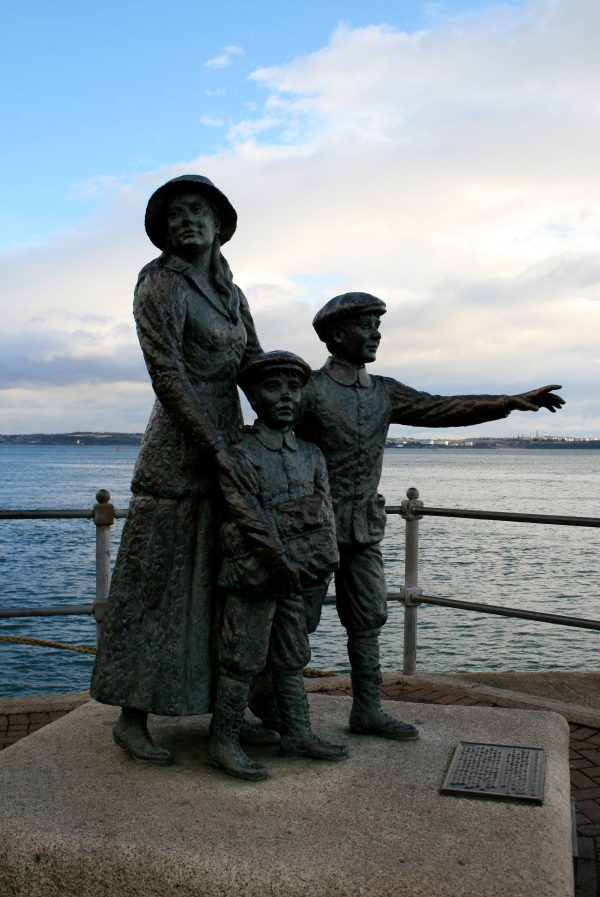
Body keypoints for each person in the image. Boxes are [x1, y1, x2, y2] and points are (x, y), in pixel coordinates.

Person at [297, 291, 565, 742]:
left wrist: (507, 402)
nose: (376, 333)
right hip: (311, 527)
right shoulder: (308, 390)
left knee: (367, 619)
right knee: (296, 621)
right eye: (366, 324)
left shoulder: (383, 391)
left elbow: (441, 408)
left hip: (363, 527)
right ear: (336, 334)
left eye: (377, 324)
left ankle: (367, 710)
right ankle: (278, 710)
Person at [91, 175, 269, 764]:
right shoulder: (158, 283)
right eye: (175, 214)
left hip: (228, 448)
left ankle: (226, 707)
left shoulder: (230, 294)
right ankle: (131, 714)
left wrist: (295, 407)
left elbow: (256, 367)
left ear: (220, 224)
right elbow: (167, 372)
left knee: (221, 581)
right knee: (156, 585)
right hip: (177, 453)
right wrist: (215, 446)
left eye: (198, 211)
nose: (186, 220)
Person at [210, 351, 348, 780]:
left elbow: (324, 512)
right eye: (273, 387)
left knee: (292, 656)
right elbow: (245, 513)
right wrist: (280, 559)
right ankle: (224, 740)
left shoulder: (311, 454)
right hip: (255, 575)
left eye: (293, 387)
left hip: (299, 575)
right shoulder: (239, 453)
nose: (286, 396)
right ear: (252, 396)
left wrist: (322, 563)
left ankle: (297, 732)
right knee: (242, 659)